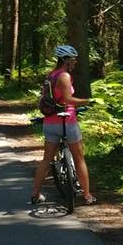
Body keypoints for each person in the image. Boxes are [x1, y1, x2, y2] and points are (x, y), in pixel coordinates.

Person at [30, 44, 96, 206]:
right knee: (79, 158)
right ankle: (87, 195)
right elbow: (67, 100)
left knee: (46, 160)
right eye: (73, 60)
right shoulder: (64, 76)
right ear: (65, 60)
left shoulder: (50, 75)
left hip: (50, 122)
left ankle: (35, 194)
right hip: (67, 121)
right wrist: (88, 101)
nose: (75, 63)